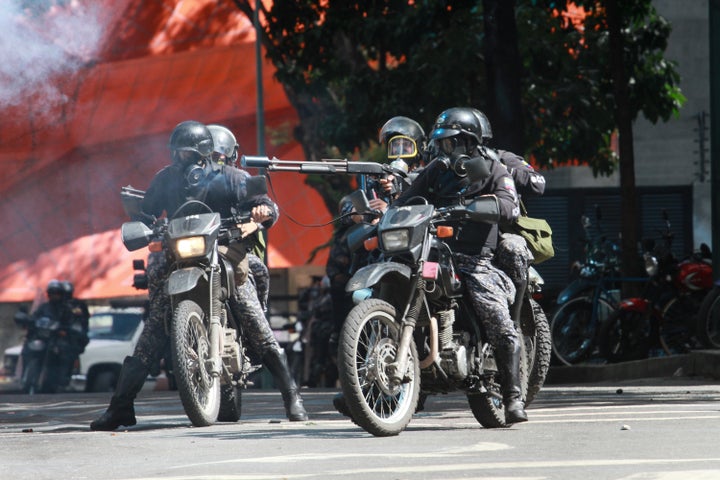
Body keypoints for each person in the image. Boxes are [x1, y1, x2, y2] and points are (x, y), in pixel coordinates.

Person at [90, 120, 307, 431]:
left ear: (205, 152)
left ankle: (292, 397)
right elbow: (148, 210)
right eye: (177, 153)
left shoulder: (230, 177)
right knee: (153, 328)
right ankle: (120, 407)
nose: (182, 159)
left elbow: (264, 204)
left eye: (188, 153)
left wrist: (262, 213)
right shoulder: (166, 179)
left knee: (254, 320)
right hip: (179, 256)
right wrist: (143, 221)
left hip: (226, 252)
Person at [392, 107, 528, 424]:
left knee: (498, 322)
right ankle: (368, 382)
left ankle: (512, 396)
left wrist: (475, 207)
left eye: (450, 143)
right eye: (441, 144)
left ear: (468, 143)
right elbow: (406, 201)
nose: (444, 150)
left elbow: (509, 206)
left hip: (476, 261)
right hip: (434, 254)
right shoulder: (436, 170)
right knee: (402, 292)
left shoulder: (493, 168)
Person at [470, 109, 546, 322]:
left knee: (512, 249)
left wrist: (502, 169)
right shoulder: (451, 165)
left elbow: (539, 184)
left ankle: (516, 317)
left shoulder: (502, 158)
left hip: (502, 230)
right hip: (460, 234)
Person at [207, 124, 270, 313]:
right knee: (158, 278)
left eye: (218, 155)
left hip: (230, 246)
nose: (215, 160)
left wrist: (258, 218)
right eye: (210, 156)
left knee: (251, 306)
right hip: (191, 249)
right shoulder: (186, 179)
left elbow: (267, 205)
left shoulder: (236, 178)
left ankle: (265, 342)